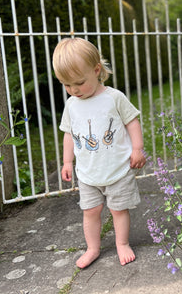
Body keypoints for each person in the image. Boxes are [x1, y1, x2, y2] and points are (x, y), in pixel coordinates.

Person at [52, 37, 146, 269]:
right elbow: (68, 134)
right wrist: (66, 162)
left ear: (96, 71)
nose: (73, 90)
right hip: (88, 173)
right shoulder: (72, 104)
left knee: (118, 209)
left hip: (117, 169)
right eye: (66, 84)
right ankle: (93, 248)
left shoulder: (114, 98)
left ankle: (122, 243)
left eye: (79, 82)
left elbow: (132, 121)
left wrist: (137, 149)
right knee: (90, 211)